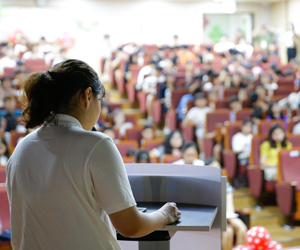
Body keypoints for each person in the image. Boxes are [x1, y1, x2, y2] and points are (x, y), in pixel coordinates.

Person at [6, 59, 181, 250]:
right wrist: (165, 214)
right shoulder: (97, 145)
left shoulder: (21, 149)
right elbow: (132, 226)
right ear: (87, 95)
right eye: (101, 100)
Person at [204, 158, 247, 250]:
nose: (217, 172)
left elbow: (230, 204)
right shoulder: (203, 185)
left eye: (219, 168)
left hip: (227, 216)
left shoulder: (225, 184)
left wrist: (229, 217)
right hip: (213, 219)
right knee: (228, 232)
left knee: (242, 228)